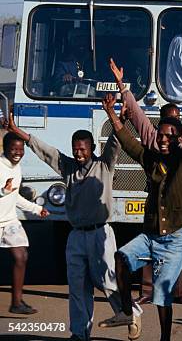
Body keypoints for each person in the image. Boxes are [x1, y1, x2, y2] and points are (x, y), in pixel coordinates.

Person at [98, 92, 182, 341]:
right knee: (121, 259)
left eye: (170, 136)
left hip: (175, 240)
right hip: (150, 235)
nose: (164, 139)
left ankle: (165, 338)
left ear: (178, 138)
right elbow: (128, 141)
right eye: (161, 134)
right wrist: (111, 113)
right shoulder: (151, 159)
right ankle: (126, 311)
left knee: (162, 294)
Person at [5, 113, 142, 341]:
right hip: (76, 236)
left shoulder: (104, 165)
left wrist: (120, 117)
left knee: (106, 281)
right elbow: (46, 151)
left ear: (91, 149)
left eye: (83, 149)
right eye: (75, 149)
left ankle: (130, 312)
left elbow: (115, 141)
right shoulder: (68, 167)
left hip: (100, 234)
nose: (78, 154)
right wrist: (18, 132)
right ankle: (79, 333)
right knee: (77, 287)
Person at [0, 132, 49, 315]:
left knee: (21, 256)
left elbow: (15, 196)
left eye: (21, 149)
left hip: (9, 220)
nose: (17, 153)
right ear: (5, 149)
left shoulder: (17, 167)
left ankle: (16, 302)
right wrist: (3, 192)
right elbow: (6, 192)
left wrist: (36, 209)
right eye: (13, 149)